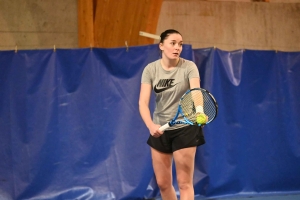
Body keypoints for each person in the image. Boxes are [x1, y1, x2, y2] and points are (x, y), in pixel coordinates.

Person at [138, 29, 205, 200]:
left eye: (180, 44)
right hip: (160, 127)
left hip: (185, 128)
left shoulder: (189, 67)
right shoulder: (150, 70)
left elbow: (196, 92)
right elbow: (143, 103)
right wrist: (150, 125)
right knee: (163, 183)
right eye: (173, 43)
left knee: (184, 183)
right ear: (161, 46)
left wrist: (199, 111)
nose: (177, 48)